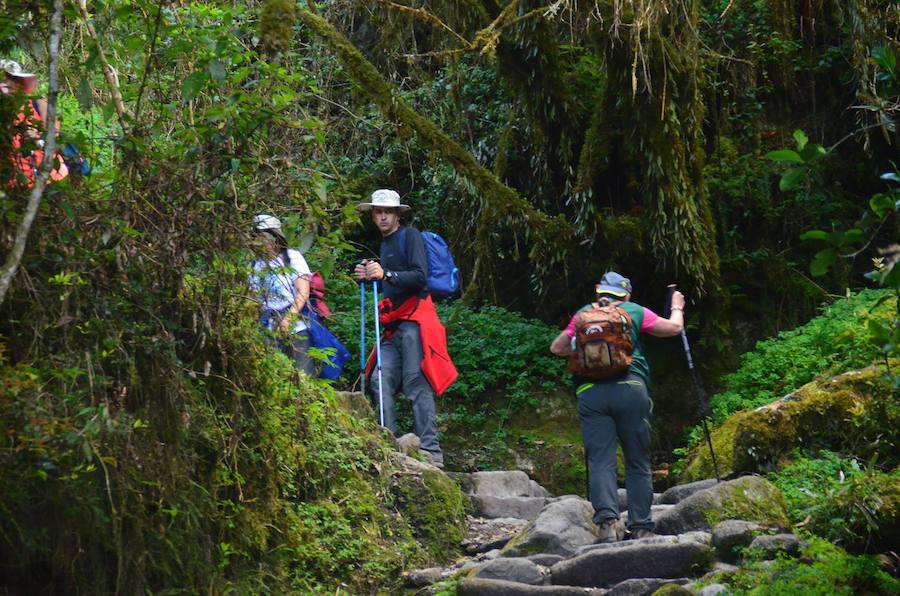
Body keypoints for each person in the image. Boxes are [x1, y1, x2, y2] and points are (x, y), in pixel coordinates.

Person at [549, 272, 685, 542]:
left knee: (600, 460)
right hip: (630, 389)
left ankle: (608, 524)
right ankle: (641, 526)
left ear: (600, 292)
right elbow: (673, 329)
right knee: (637, 459)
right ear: (626, 294)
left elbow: (556, 348)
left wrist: (582, 349)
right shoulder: (634, 310)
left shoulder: (583, 314)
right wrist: (677, 307)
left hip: (590, 392)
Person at [354, 189, 456, 469]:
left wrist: (385, 274)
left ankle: (431, 451)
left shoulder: (410, 236)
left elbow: (420, 277)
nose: (383, 216)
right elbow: (389, 283)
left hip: (414, 321)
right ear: (373, 215)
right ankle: (389, 443)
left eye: (388, 211)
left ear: (399, 214)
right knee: (379, 377)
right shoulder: (385, 245)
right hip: (393, 325)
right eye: (378, 212)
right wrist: (368, 276)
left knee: (415, 381)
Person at [250, 214, 315, 375]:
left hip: (296, 327)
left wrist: (289, 318)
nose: (265, 241)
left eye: (269, 236)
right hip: (267, 328)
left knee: (303, 375)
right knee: (273, 376)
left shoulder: (292, 258)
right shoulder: (253, 265)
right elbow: (253, 299)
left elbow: (303, 292)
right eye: (260, 237)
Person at [1, 59, 68, 187]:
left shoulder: (39, 104)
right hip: (12, 185)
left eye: (13, 79)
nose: (8, 84)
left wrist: (38, 139)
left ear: (21, 84)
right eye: (5, 79)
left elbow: (58, 143)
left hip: (49, 181)